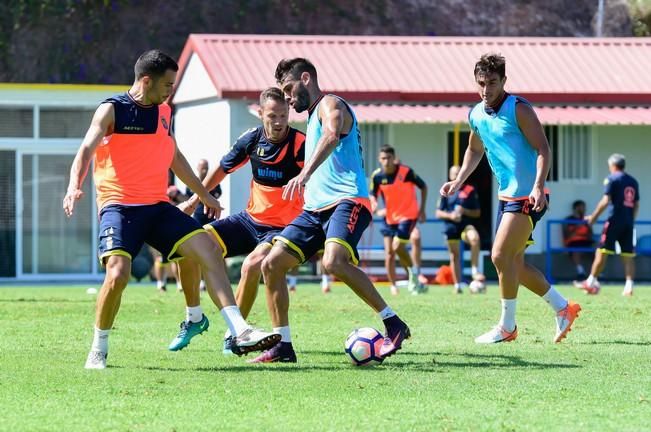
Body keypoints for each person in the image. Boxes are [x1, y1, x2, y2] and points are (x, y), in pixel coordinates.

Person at [62, 49, 279, 369]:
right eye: (167, 84)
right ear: (146, 80)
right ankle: (99, 347)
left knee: (207, 247)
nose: (171, 91)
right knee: (118, 274)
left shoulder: (163, 112)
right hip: (119, 206)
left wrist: (203, 193)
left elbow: (174, 157)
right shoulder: (112, 110)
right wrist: (73, 185)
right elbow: (86, 149)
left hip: (157, 206)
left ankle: (239, 329)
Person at [257, 57, 411, 363]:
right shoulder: (312, 116)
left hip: (347, 202)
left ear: (305, 78)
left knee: (333, 262)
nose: (287, 97)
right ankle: (283, 346)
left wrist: (304, 174)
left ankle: (393, 322)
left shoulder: (330, 104)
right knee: (271, 264)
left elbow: (331, 134)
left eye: (289, 88)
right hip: (315, 210)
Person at [440, 53, 581, 344]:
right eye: (481, 83)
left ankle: (507, 327)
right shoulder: (476, 114)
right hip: (506, 197)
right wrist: (458, 180)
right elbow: (475, 150)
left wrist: (539, 186)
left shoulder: (519, 109)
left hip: (528, 195)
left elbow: (544, 149)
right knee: (513, 264)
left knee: (499, 256)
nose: (486, 89)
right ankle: (563, 308)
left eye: (492, 82)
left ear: (504, 80)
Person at [178, 87, 306, 356]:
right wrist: (193, 202)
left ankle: (234, 335)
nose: (279, 122)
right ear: (260, 114)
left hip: (282, 228)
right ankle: (194, 317)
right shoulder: (250, 140)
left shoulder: (299, 145)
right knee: (189, 243)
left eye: (284, 115)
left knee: (251, 265)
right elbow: (222, 169)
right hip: (250, 220)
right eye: (272, 115)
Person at [577, 154, 639, 296]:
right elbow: (636, 204)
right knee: (628, 255)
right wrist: (631, 220)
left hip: (614, 221)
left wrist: (593, 217)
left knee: (602, 251)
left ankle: (590, 282)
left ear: (613, 166)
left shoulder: (612, 179)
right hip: (628, 223)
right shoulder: (633, 181)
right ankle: (629, 287)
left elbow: (605, 201)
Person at [369, 145, 428, 295]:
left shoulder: (406, 172)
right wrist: (374, 206)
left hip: (408, 216)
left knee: (398, 246)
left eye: (389, 158)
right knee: (390, 253)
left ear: (394, 158)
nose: (386, 161)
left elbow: (424, 187)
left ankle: (413, 274)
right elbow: (372, 196)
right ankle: (395, 284)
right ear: (379, 159)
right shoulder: (376, 176)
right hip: (389, 218)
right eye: (383, 158)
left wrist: (421, 210)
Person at [436, 165, 485, 294]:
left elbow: (477, 212)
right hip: (451, 227)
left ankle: (474, 269)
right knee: (454, 256)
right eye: (454, 173)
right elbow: (438, 213)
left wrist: (464, 211)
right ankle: (457, 285)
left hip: (465, 225)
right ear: (449, 175)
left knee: (475, 239)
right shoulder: (446, 190)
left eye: (459, 173)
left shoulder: (470, 190)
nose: (456, 175)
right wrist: (451, 215)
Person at [562, 200, 593, 281]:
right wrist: (577, 226)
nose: (584, 209)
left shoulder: (585, 219)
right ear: (576, 208)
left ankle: (596, 273)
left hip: (585, 241)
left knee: (598, 249)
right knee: (576, 251)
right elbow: (566, 235)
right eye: (582, 207)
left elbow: (590, 234)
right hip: (573, 242)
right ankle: (581, 272)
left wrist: (589, 224)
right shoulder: (569, 219)